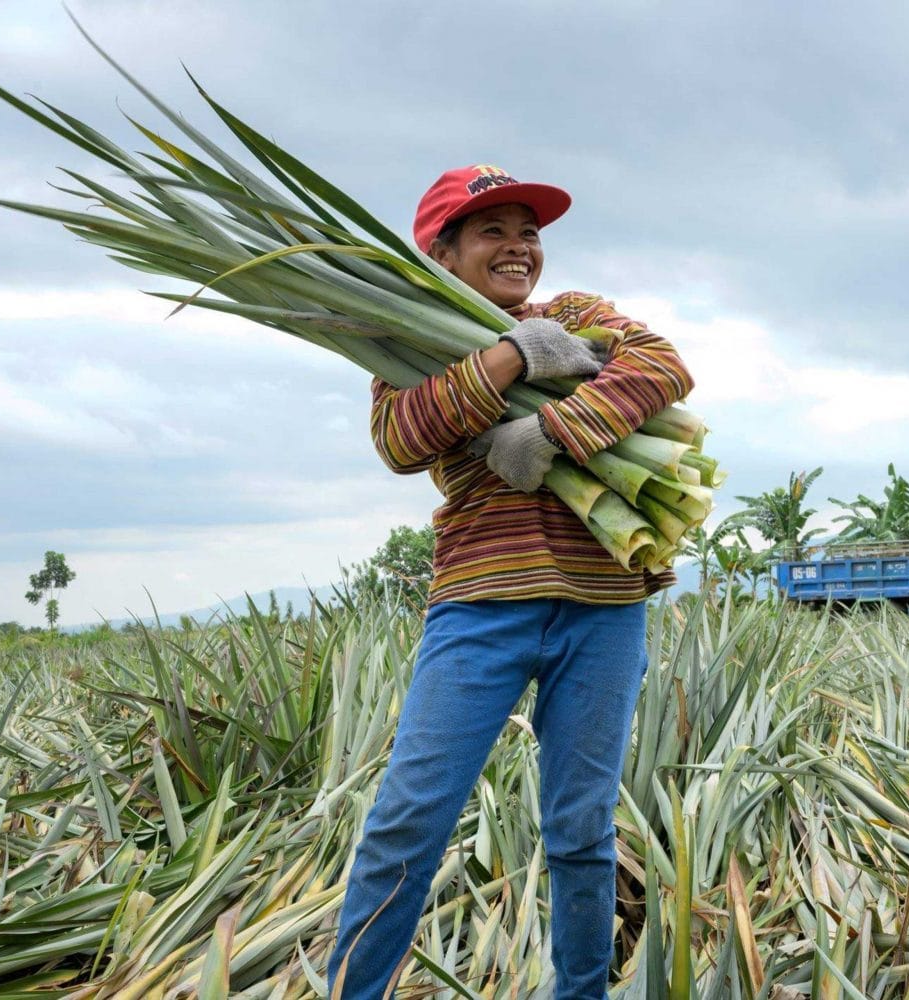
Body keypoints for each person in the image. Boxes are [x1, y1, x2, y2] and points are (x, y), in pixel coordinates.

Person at [327, 164, 694, 999]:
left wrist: (554, 431)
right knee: (407, 823)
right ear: (443, 253)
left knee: (580, 830)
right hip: (478, 607)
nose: (520, 245)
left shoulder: (576, 316)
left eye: (528, 230)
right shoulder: (404, 345)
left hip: (603, 609)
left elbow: (664, 367)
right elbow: (401, 438)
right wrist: (507, 357)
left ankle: (580, 992)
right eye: (492, 229)